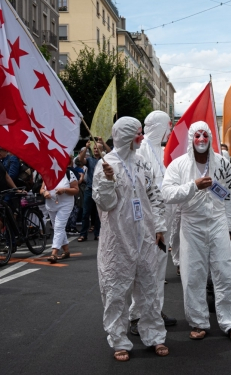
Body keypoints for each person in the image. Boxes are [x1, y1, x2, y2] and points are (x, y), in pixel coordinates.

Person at [92, 117, 168, 361]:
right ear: (125, 136)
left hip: (144, 238)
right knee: (115, 292)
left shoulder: (142, 163)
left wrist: (158, 226)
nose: (141, 137)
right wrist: (107, 181)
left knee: (149, 290)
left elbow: (154, 195)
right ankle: (118, 340)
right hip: (117, 240)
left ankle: (155, 336)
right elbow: (105, 204)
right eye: (137, 133)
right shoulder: (106, 165)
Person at [162, 121, 231, 342]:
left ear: (210, 138)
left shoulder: (223, 164)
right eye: (197, 135)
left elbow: (230, 195)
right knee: (193, 275)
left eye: (204, 135)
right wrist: (193, 186)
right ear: (191, 139)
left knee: (226, 272)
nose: (201, 139)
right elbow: (167, 193)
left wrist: (227, 225)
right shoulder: (178, 165)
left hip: (217, 222)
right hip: (192, 225)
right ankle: (198, 322)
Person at [130, 110, 177, 334]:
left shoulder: (159, 150)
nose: (170, 129)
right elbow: (147, 189)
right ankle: (138, 314)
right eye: (168, 125)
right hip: (150, 222)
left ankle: (153, 310)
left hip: (162, 221)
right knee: (146, 268)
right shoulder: (143, 151)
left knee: (157, 269)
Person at [40, 160, 79, 263]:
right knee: (58, 227)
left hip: (65, 204)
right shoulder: (47, 174)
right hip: (51, 205)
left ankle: (54, 253)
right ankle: (66, 251)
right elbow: (42, 189)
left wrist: (65, 190)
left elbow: (76, 189)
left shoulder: (68, 173)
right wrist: (45, 192)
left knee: (58, 227)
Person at [77, 138, 110, 242]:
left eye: (98, 148)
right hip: (89, 189)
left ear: (102, 149)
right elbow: (80, 160)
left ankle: (98, 233)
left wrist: (103, 142)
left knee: (98, 214)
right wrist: (86, 147)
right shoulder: (90, 160)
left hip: (100, 190)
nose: (95, 150)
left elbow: (111, 152)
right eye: (94, 148)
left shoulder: (105, 160)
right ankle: (83, 234)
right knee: (85, 213)